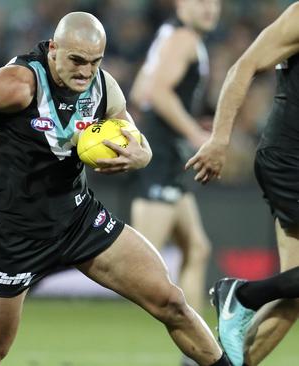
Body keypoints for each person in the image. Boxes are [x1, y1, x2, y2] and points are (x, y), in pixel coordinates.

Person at [0, 12, 232, 366]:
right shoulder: (16, 85)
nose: (86, 71)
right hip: (18, 232)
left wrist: (137, 157)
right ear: (54, 48)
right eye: (77, 60)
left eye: (95, 61)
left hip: (79, 220)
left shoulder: (103, 86)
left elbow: (139, 143)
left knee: (171, 301)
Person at [187, 2, 299, 366]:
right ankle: (244, 295)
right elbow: (244, 65)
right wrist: (219, 138)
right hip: (289, 160)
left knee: (293, 297)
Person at [129, 1, 221, 363]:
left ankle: (193, 354)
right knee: (134, 263)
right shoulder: (183, 38)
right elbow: (158, 94)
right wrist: (196, 136)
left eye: (215, 2)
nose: (210, 8)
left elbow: (139, 91)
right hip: (165, 159)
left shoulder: (170, 35)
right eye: (200, 1)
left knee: (197, 248)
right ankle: (44, 262)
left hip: (168, 158)